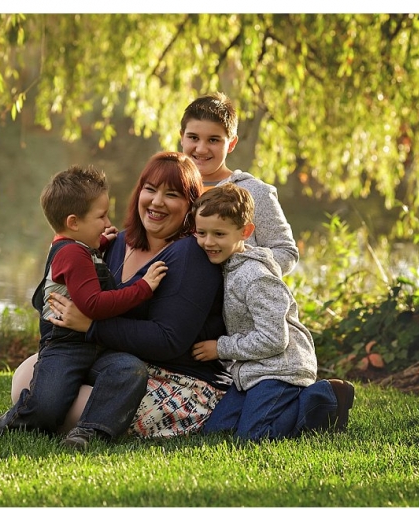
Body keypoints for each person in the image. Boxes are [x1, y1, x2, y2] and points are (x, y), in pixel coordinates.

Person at [18, 151, 233, 438]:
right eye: (150, 189)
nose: (157, 202)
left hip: (179, 379)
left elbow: (168, 341)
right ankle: (29, 417)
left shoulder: (190, 254)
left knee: (75, 402)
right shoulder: (116, 242)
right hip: (120, 359)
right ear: (138, 192)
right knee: (28, 373)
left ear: (191, 206)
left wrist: (91, 326)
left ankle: (82, 430)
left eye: (172, 194)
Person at [0, 165, 167, 450]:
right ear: (74, 222)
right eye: (101, 216)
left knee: (129, 370)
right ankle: (2, 423)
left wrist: (102, 242)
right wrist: (142, 287)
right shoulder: (71, 253)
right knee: (48, 405)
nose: (107, 223)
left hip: (97, 347)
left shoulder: (80, 247)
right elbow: (94, 304)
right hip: (65, 348)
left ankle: (89, 432)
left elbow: (88, 265)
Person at [190, 183, 355, 441]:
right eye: (201, 233)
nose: (208, 242)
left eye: (219, 234)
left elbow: (274, 339)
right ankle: (280, 406)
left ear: (245, 232)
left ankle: (323, 397)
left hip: (280, 369)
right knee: (216, 432)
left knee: (254, 437)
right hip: (252, 371)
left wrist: (221, 348)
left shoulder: (256, 278)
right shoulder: (228, 266)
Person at [179, 91, 299, 276]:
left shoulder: (254, 192)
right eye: (193, 137)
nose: (201, 148)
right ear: (182, 137)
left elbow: (286, 251)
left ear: (231, 143)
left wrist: (241, 271)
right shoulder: (170, 190)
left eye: (213, 140)